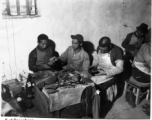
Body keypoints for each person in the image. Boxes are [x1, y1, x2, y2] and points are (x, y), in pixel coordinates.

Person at [89, 36, 124, 105]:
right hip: (99, 71)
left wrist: (106, 72)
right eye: (100, 49)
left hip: (111, 74)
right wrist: (93, 66)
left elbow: (120, 69)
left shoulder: (117, 51)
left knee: (98, 87)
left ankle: (98, 99)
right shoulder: (99, 48)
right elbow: (96, 60)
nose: (101, 51)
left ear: (110, 46)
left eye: (104, 50)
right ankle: (91, 98)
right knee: (87, 80)